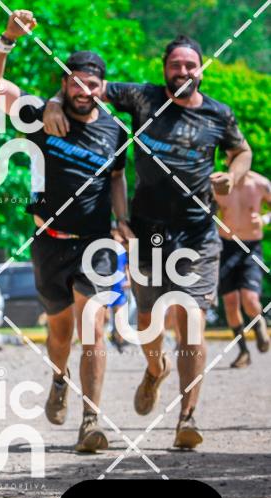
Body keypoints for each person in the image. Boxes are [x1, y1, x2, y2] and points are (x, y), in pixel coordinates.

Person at [44, 35, 252, 448]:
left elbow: (241, 151)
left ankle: (187, 418)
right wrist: (52, 102)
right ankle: (156, 370)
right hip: (148, 233)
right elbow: (87, 86)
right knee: (146, 323)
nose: (183, 72)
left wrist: (234, 175)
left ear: (201, 69)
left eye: (190, 65)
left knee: (191, 323)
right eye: (176, 65)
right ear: (165, 69)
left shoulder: (218, 114)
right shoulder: (143, 98)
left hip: (197, 234)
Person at [0, 10, 129, 452]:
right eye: (76, 83)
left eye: (92, 84)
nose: (84, 91)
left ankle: (91, 420)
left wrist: (122, 219)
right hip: (49, 242)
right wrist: (8, 38)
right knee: (60, 334)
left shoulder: (116, 129)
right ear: (64, 84)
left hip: (97, 244)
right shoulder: (40, 115)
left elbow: (118, 177)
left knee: (93, 328)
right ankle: (59, 378)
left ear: (102, 87)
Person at [215, 170, 271, 367]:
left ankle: (259, 323)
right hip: (226, 246)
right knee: (230, 302)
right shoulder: (219, 184)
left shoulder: (261, 183)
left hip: (251, 247)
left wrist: (265, 219)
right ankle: (243, 352)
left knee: (250, 299)